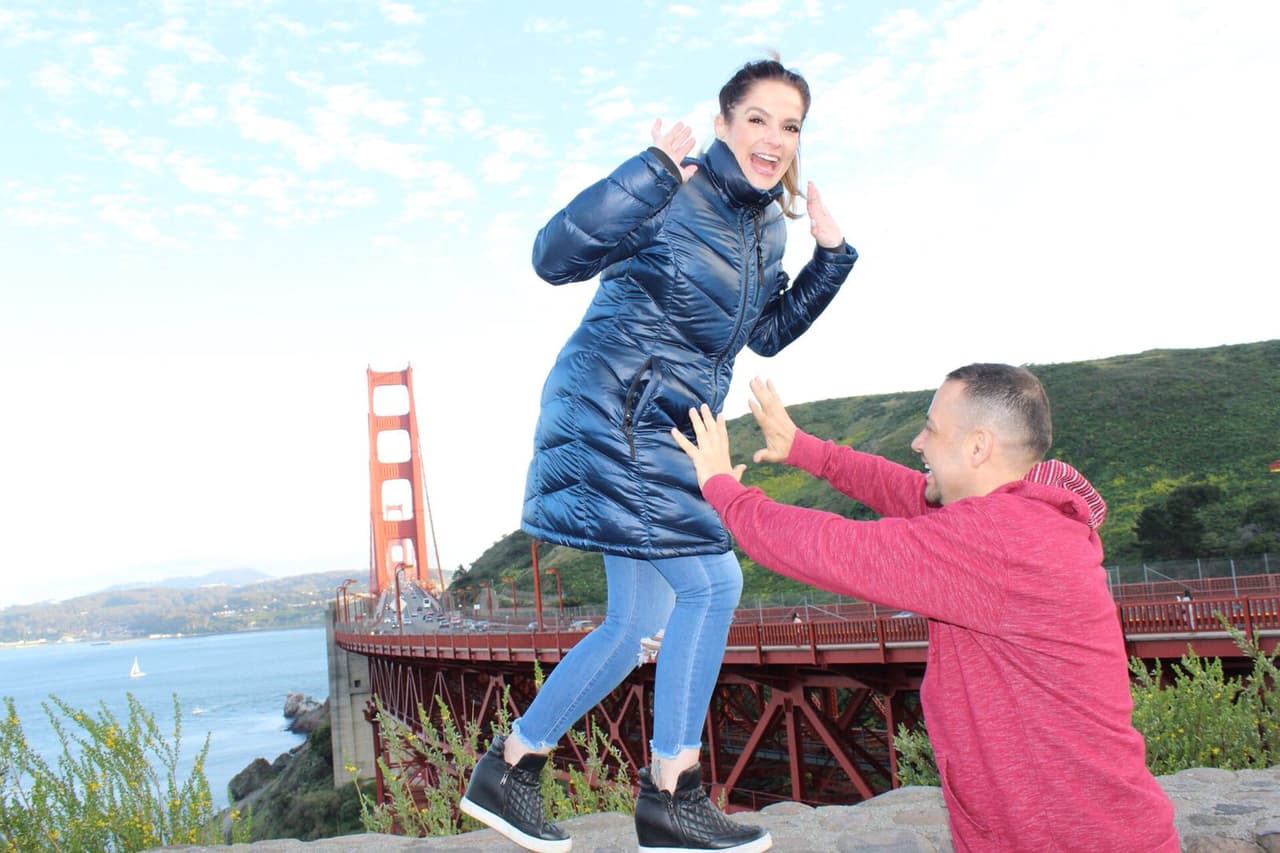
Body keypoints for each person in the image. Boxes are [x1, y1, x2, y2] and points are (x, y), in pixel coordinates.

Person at [459, 57, 856, 853]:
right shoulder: (672, 189)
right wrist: (646, 172)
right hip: (616, 409)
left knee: (637, 616)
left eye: (791, 126)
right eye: (757, 119)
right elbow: (551, 257)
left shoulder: (764, 225)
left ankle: (509, 768)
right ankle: (672, 791)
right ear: (723, 123)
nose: (773, 139)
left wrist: (830, 258)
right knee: (714, 581)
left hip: (667, 423)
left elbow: (762, 332)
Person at [671, 367, 1180, 852]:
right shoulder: (1023, 519)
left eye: (931, 429)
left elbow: (828, 547)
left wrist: (723, 489)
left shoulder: (996, 541)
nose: (918, 442)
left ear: (978, 446)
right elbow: (909, 492)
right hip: (1071, 831)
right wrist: (808, 451)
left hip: (1065, 840)